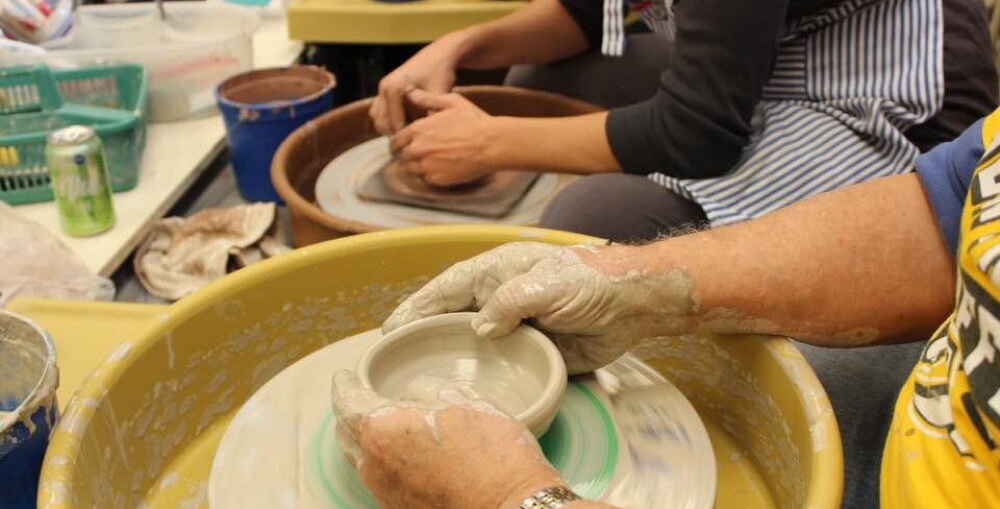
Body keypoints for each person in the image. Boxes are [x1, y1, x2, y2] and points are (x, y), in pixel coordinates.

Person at [331, 106, 1000, 508]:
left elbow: (701, 119)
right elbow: (952, 207)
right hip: (945, 412)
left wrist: (511, 496)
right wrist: (634, 286)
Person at [371, 0, 997, 242]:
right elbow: (579, 5)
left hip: (887, 84)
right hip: (767, 52)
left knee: (590, 224)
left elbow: (698, 133)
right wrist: (456, 47)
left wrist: (490, 143)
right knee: (537, 82)